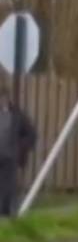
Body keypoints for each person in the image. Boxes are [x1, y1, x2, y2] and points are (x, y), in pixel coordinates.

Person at [0, 80, 36, 217]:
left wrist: (20, 147)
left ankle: (7, 212)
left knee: (8, 186)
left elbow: (32, 134)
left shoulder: (17, 115)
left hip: (10, 157)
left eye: (3, 97)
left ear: (7, 98)